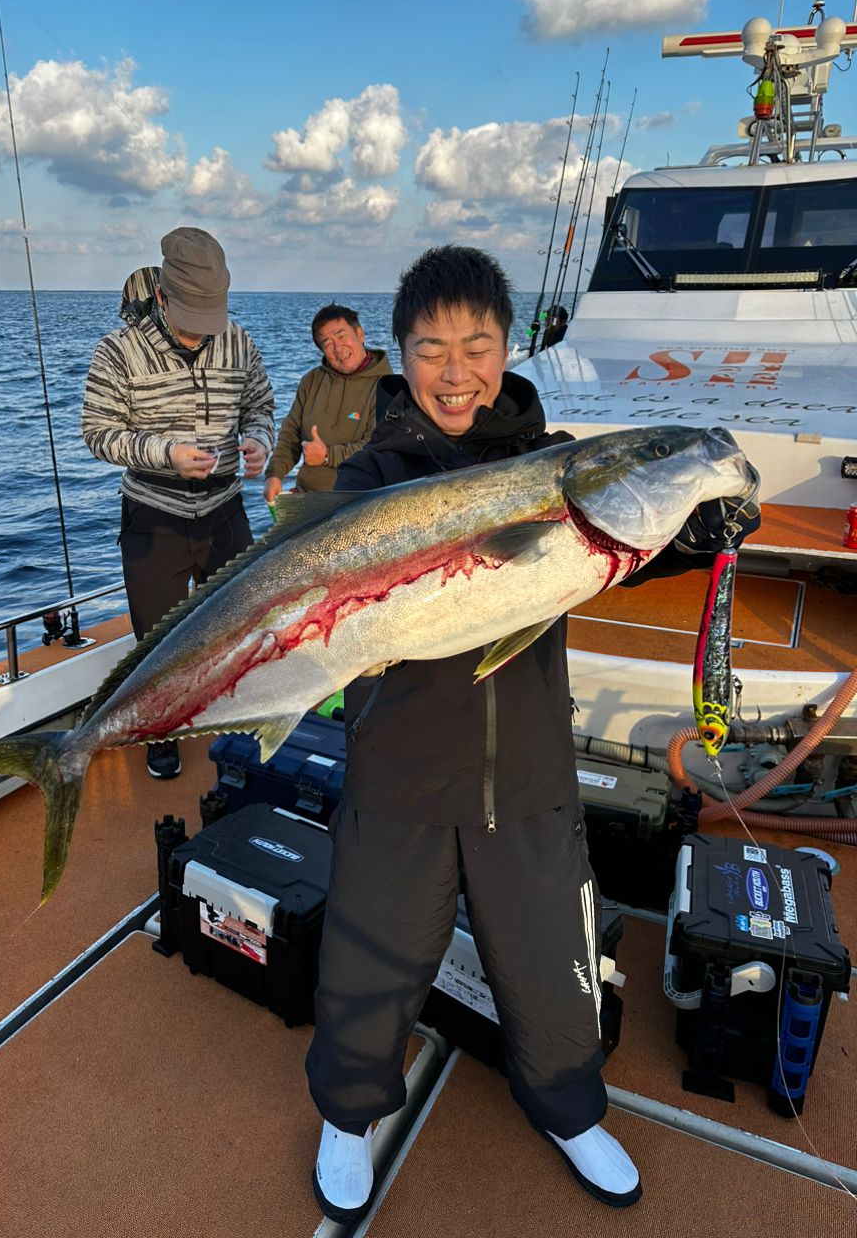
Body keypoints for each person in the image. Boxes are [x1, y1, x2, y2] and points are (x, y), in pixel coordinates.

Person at [304, 245, 759, 1222]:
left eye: (477, 343)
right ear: (401, 354)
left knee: (554, 961)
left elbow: (613, 544)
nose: (456, 368)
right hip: (402, 771)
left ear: (508, 349)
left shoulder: (552, 460)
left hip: (530, 771)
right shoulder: (371, 473)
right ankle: (349, 1111)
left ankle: (567, 1105)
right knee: (368, 957)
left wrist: (696, 531)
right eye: (432, 347)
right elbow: (325, 585)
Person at [82, 228, 274, 780]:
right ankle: (156, 733)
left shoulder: (238, 340)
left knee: (244, 621)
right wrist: (165, 453)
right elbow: (98, 433)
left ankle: (235, 717)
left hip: (226, 510)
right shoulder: (118, 352)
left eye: (208, 320)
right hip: (154, 516)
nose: (200, 335)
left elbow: (259, 401)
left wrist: (259, 439)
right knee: (157, 640)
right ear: (162, 298)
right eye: (190, 319)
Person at [262, 304, 387, 503]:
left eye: (341, 335)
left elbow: (378, 448)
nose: (338, 348)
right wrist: (275, 474)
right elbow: (291, 432)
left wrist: (328, 455)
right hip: (308, 500)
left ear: (360, 334)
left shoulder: (389, 386)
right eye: (327, 343)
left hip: (360, 504)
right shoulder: (311, 381)